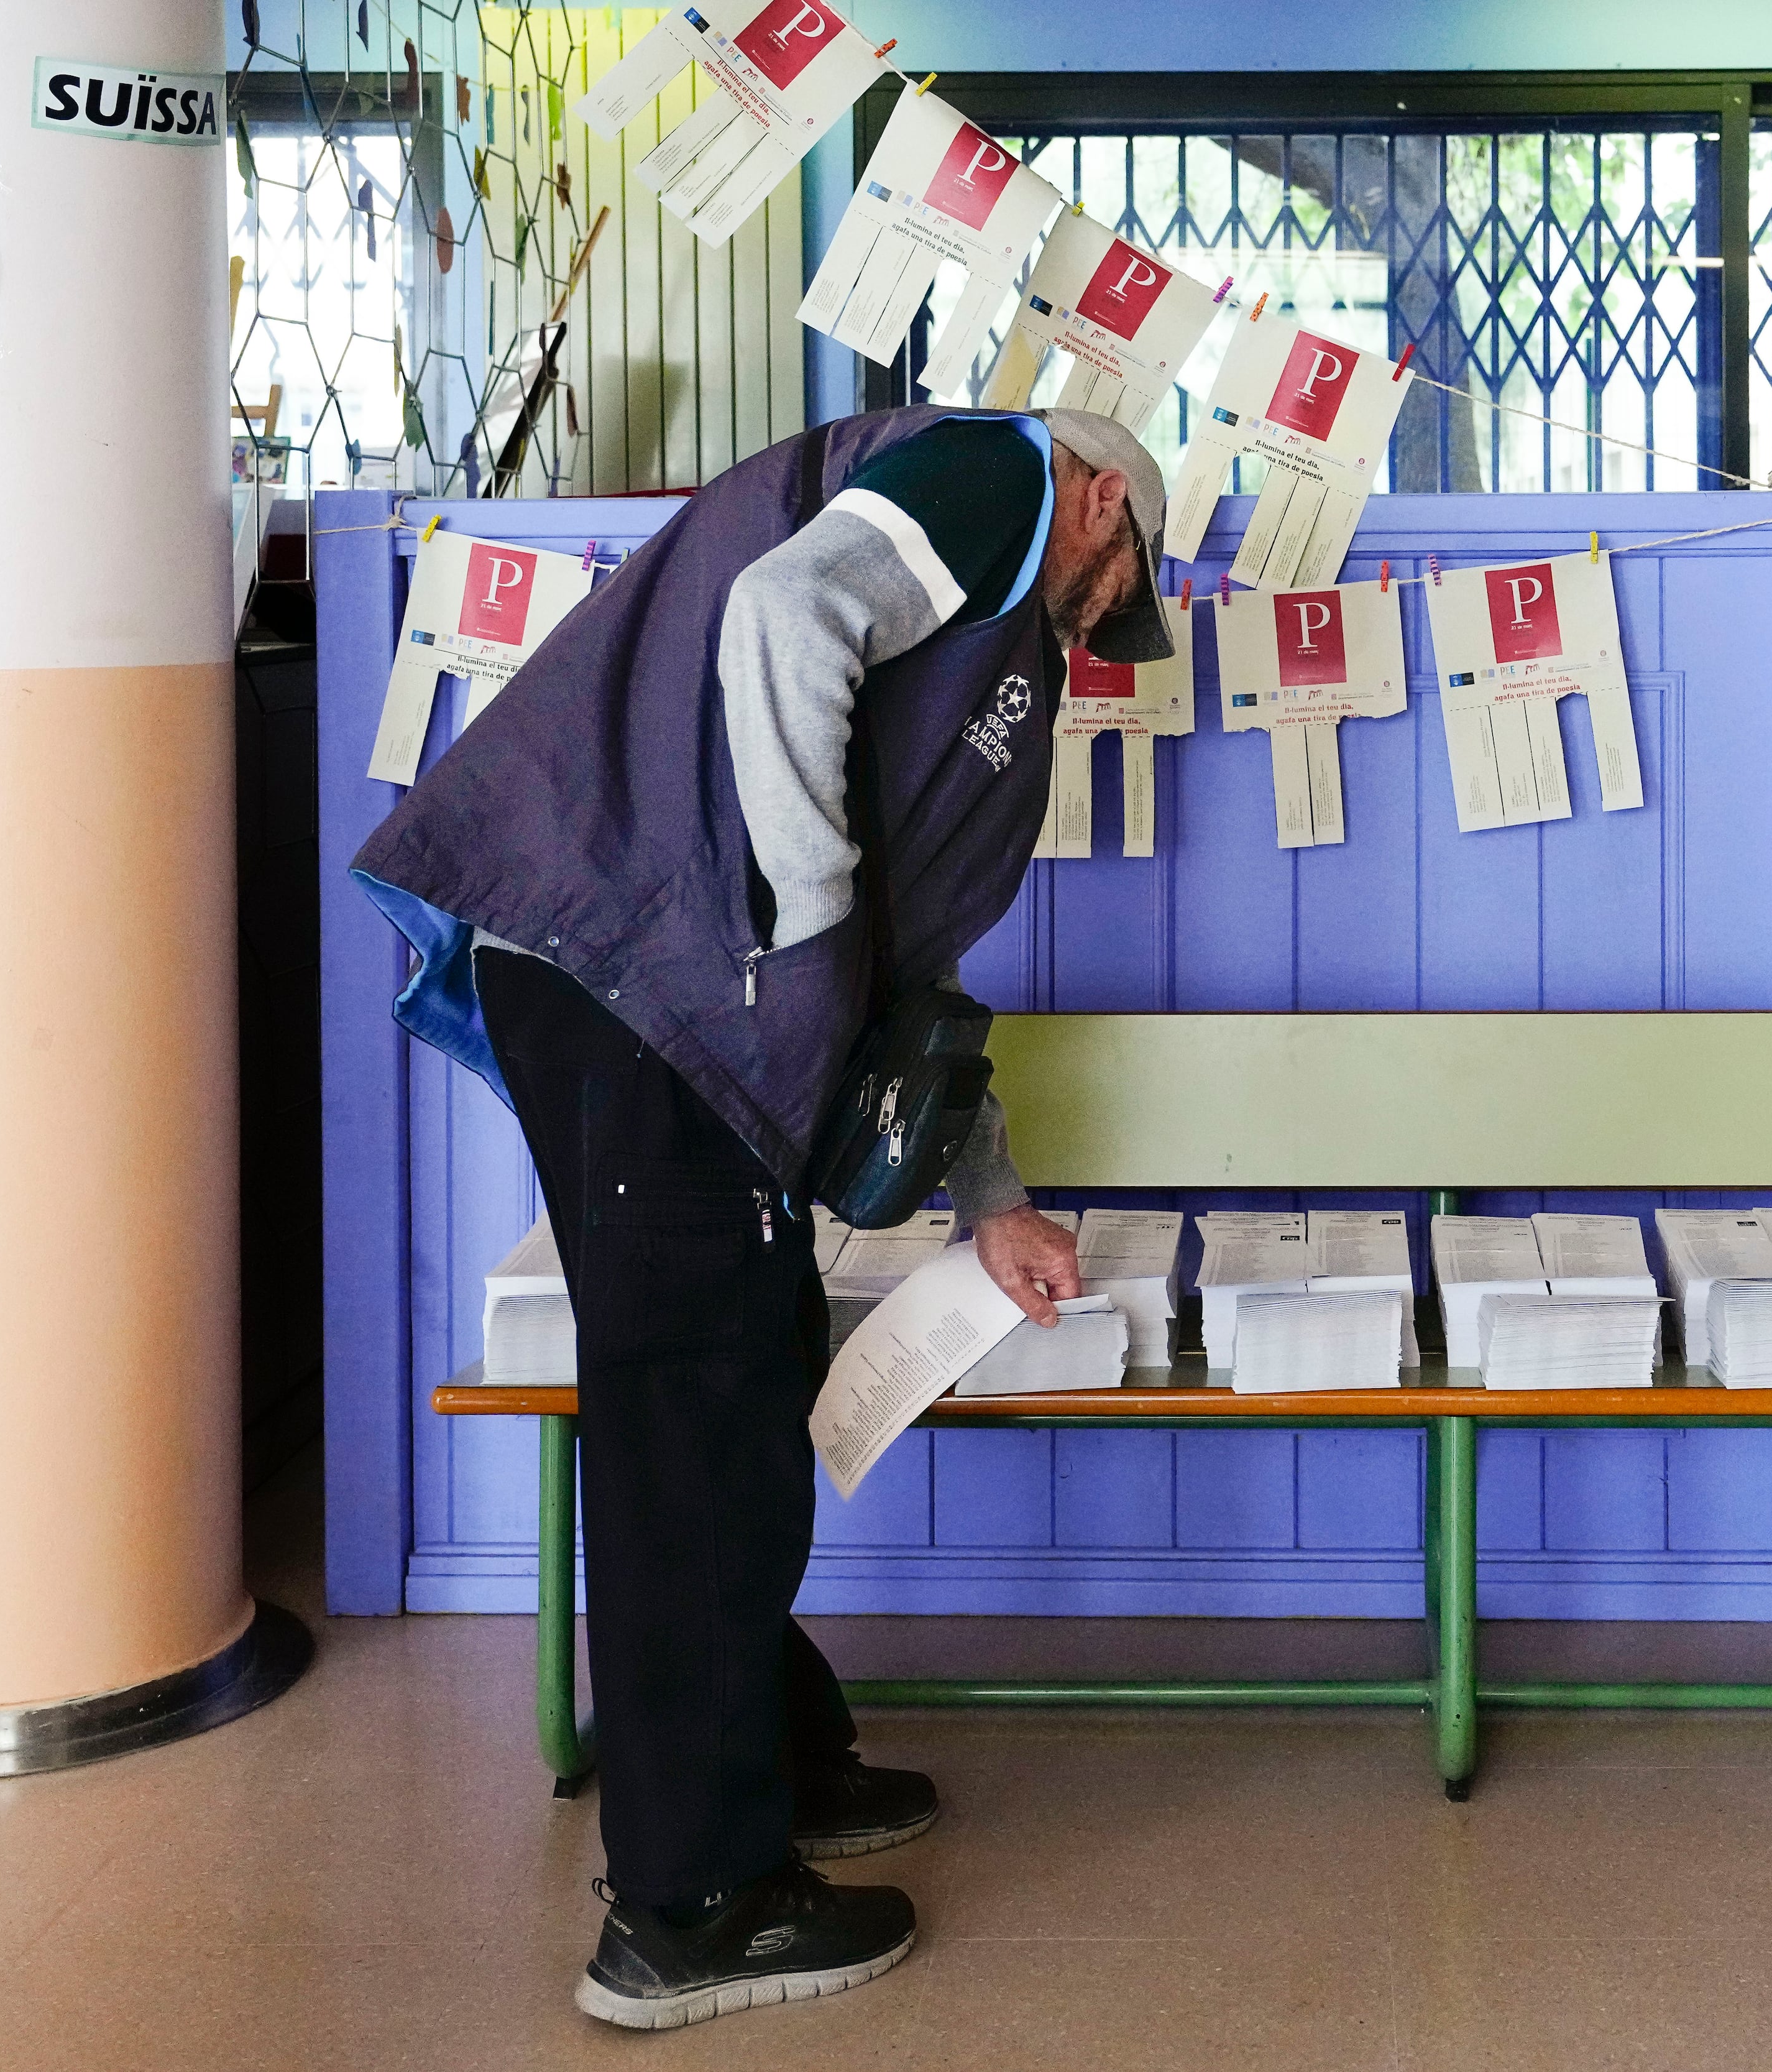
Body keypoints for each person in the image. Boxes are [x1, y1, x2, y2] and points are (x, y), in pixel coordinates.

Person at [351, 405, 1175, 2030]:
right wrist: (800, 921)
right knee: (699, 1418)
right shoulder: (995, 474)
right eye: (1122, 579)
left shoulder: (990, 669)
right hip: (649, 980)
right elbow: (782, 615)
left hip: (662, 996)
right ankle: (691, 1907)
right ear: (1100, 493)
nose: (1104, 625)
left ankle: (777, 1766)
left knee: (741, 1370)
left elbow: (913, 982)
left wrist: (991, 1204)